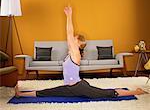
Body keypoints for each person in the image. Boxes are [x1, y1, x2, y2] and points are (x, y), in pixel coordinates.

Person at [15, 6, 147, 98]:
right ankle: (20, 94)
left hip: (79, 87)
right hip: (69, 88)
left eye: (74, 39)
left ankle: (137, 92)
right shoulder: (70, 53)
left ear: (78, 42)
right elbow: (69, 36)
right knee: (46, 92)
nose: (71, 39)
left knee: (108, 93)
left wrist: (69, 16)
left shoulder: (75, 53)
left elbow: (68, 33)